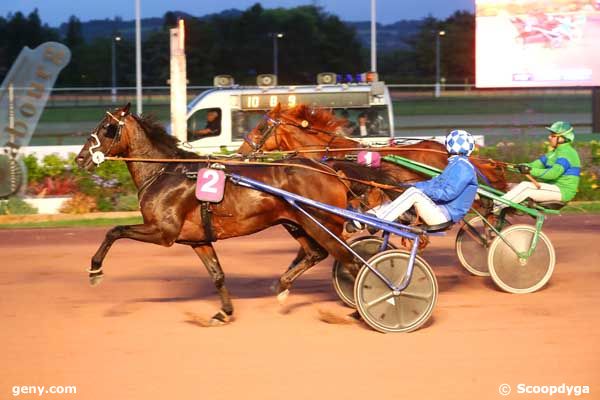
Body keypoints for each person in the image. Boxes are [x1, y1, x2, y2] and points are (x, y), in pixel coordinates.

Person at [352, 130, 479, 230]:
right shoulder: (455, 165)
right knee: (402, 193)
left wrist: (418, 189)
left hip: (444, 215)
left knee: (414, 194)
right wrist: (409, 185)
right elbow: (433, 183)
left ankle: (379, 220)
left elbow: (446, 194)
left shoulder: (463, 168)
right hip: (439, 210)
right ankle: (369, 216)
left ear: (449, 147)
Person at [494, 121, 581, 212]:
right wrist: (509, 166)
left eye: (553, 135)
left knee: (525, 186)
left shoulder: (567, 153)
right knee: (510, 186)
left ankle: (494, 205)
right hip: (551, 188)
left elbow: (553, 174)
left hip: (562, 191)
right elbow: (534, 165)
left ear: (563, 138)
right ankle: (496, 211)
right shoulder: (553, 153)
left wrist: (530, 170)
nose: (549, 137)